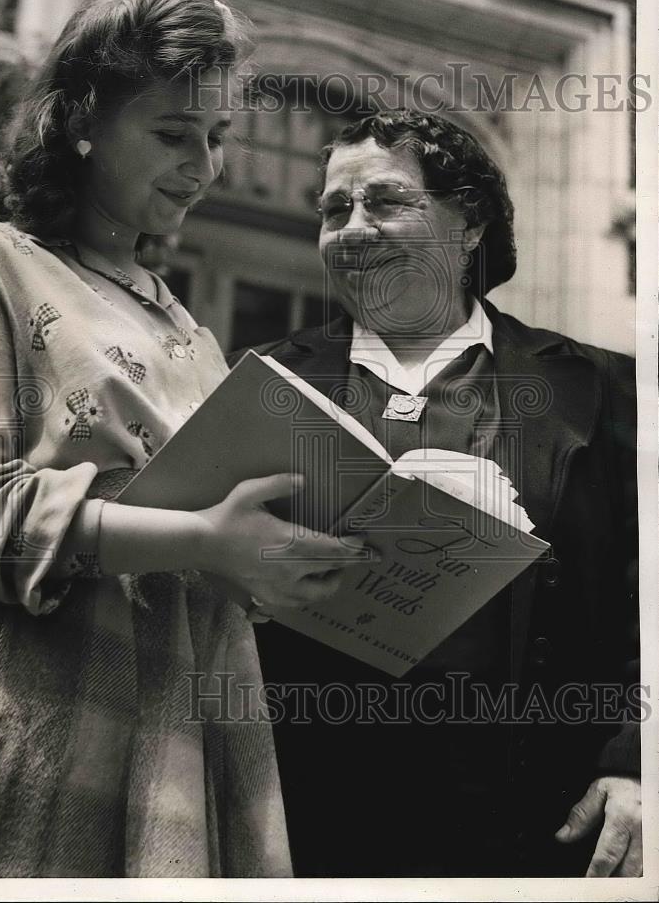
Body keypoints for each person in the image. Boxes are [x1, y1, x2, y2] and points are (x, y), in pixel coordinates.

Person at [0, 0, 365, 878]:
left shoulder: (186, 325)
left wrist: (275, 563)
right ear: (82, 120)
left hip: (200, 722)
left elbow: (217, 541)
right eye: (172, 133)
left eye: (217, 137)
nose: (203, 168)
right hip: (55, 712)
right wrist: (203, 536)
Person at [233, 109, 641, 878]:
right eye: (332, 209)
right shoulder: (258, 382)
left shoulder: (602, 390)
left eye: (385, 202)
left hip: (533, 829)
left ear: (470, 222)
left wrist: (635, 763)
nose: (351, 229)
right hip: (306, 822)